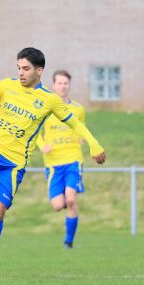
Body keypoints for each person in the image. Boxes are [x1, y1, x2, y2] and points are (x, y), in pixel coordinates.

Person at [0, 48, 106, 279]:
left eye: (26, 69)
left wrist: (94, 145)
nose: (21, 73)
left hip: (12, 165)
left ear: (39, 71)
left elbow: (75, 123)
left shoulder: (49, 100)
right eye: (18, 68)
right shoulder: (6, 85)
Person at [36, 70, 86, 249]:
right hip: (53, 163)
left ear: (69, 85)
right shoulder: (46, 109)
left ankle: (68, 242)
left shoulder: (78, 109)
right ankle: (67, 202)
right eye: (60, 83)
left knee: (71, 200)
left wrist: (82, 137)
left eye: (66, 83)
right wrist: (42, 146)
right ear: (54, 85)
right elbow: (35, 133)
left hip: (73, 159)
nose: (63, 86)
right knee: (58, 205)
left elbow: (81, 127)